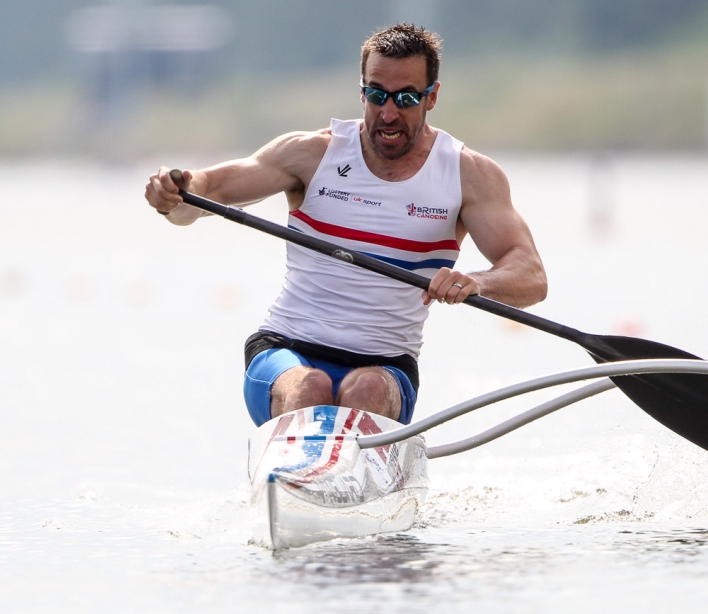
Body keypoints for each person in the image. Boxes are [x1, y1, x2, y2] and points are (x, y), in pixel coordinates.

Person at [144, 23, 547, 428]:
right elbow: (203, 194)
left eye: (406, 98)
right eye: (376, 94)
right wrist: (174, 194)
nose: (388, 113)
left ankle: (333, 472)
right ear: (361, 91)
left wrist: (479, 282)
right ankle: (311, 472)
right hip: (286, 350)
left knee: (365, 391)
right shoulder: (311, 154)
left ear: (433, 97)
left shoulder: (468, 174)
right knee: (311, 389)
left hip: (386, 365)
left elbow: (531, 275)